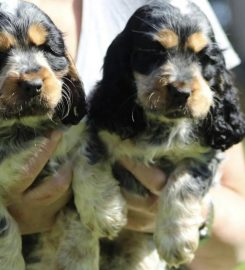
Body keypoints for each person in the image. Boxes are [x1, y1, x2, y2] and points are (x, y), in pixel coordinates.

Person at [6, 0, 245, 269]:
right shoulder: (105, 123)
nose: (181, 85)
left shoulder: (179, 5)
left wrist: (191, 215)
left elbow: (237, 243)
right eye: (155, 54)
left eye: (199, 57)